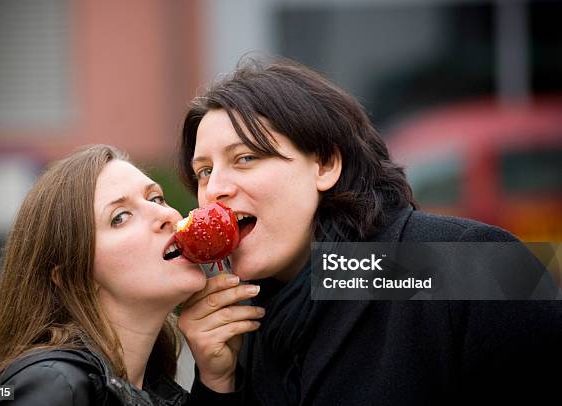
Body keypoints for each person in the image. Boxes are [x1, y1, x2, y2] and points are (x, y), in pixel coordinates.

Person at [176, 58, 562, 405]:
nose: (214, 191)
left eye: (245, 158)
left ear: (325, 165)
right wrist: (216, 384)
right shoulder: (248, 316)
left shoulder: (478, 263)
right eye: (204, 172)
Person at [0, 145, 263, 405]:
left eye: (157, 198)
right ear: (73, 276)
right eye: (121, 217)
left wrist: (215, 383)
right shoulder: (56, 385)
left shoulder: (149, 389)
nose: (167, 216)